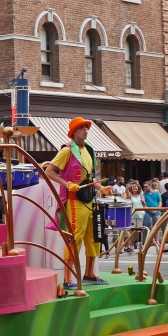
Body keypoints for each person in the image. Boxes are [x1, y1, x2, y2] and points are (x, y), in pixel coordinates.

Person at [43, 117, 111, 286]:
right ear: (74, 132)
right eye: (82, 128)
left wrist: (100, 189)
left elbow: (90, 177)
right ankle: (67, 278)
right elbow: (49, 171)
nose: (86, 130)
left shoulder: (89, 150)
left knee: (94, 238)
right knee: (75, 239)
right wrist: (67, 184)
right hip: (75, 202)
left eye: (86, 128)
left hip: (89, 201)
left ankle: (89, 274)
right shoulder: (66, 151)